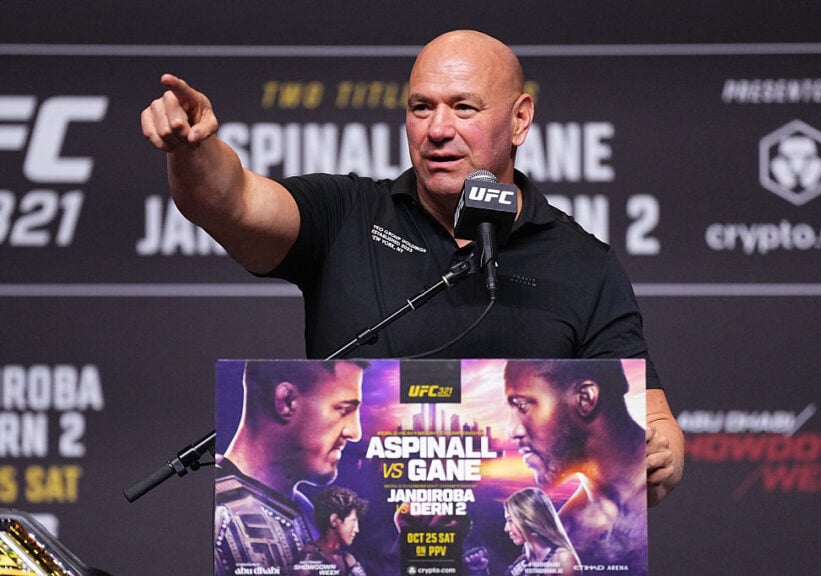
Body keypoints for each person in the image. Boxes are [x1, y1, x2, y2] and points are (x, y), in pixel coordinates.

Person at [142, 27, 682, 520]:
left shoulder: (582, 264)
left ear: (520, 118)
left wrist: (657, 456)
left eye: (464, 108)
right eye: (421, 108)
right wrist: (192, 150)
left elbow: (651, 421)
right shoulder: (346, 216)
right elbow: (232, 201)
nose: (438, 129)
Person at [504, 359, 678, 574]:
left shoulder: (561, 538)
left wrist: (670, 464)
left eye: (522, 406)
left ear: (585, 398)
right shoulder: (564, 531)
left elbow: (660, 419)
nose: (511, 431)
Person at [214, 360, 365, 576]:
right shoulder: (216, 516)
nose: (355, 432)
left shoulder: (306, 512)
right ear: (287, 401)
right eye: (343, 410)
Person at [503, 487, 581, 576]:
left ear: (529, 518)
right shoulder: (522, 561)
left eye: (510, 520)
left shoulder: (563, 559)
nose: (506, 528)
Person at [298, 486, 369, 576]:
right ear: (334, 520)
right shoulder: (308, 557)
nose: (357, 530)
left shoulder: (347, 559)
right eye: (353, 521)